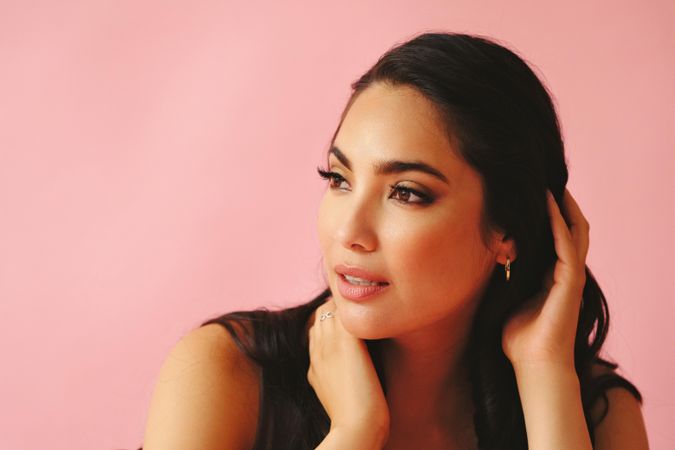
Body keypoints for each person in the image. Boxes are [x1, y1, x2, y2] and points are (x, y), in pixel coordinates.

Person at [139, 32, 649, 449]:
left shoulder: (593, 414)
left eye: (405, 193)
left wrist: (544, 376)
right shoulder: (227, 375)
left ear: (507, 232)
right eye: (339, 179)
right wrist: (354, 435)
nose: (348, 232)